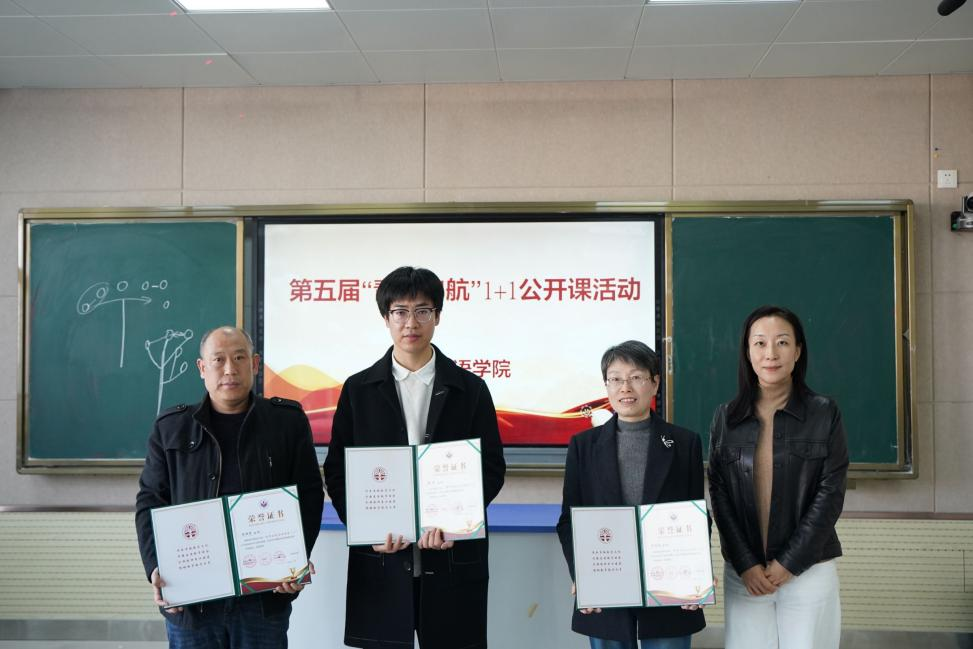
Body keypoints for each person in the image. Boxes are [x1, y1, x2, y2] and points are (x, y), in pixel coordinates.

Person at [323, 266, 506, 649]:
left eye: (422, 311)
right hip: (383, 558)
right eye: (400, 312)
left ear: (437, 316)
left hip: (453, 557)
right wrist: (365, 528)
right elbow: (338, 471)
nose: (411, 323)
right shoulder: (358, 390)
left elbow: (491, 467)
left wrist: (456, 524)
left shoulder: (470, 389)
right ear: (385, 318)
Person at [135, 325, 324, 649]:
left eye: (239, 358)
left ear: (254, 364)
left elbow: (308, 495)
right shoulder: (172, 428)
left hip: (263, 597)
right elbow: (150, 502)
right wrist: (155, 567)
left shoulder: (286, 422)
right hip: (193, 599)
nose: (229, 369)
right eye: (218, 359)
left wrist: (295, 560)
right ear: (202, 367)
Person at [708, 305, 848, 649]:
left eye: (782, 342)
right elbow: (720, 494)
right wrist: (746, 564)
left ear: (797, 351)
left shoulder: (824, 413)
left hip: (808, 569)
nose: (770, 353)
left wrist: (789, 562)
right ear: (747, 352)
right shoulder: (726, 417)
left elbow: (830, 493)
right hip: (746, 575)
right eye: (759, 343)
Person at [557, 340, 707, 649]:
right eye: (615, 379)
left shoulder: (685, 443)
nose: (625, 387)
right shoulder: (583, 446)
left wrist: (696, 577)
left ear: (655, 383)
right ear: (607, 386)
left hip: (669, 586)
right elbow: (568, 521)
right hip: (605, 582)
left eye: (636, 377)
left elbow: (696, 518)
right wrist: (582, 575)